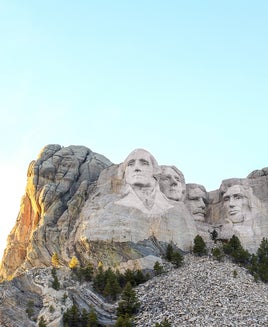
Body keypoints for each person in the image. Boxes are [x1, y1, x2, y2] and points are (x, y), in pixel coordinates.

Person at [115, 149, 173, 214]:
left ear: (154, 170)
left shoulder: (172, 205)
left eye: (144, 163)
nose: (137, 168)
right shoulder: (117, 204)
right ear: (124, 172)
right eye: (130, 164)